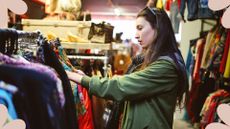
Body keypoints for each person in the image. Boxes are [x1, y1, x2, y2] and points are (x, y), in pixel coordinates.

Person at [66, 6, 189, 129]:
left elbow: (121, 87)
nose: (136, 35)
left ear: (158, 28)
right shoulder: (149, 61)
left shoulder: (165, 67)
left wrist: (83, 80)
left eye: (140, 28)